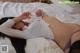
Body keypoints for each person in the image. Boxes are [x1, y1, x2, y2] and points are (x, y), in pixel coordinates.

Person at [0, 9, 80, 52]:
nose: (16, 23)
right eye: (14, 23)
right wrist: (19, 18)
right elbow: (2, 28)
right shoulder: (26, 33)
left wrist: (41, 14)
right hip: (71, 39)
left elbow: (50, 22)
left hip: (76, 29)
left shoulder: (31, 21)